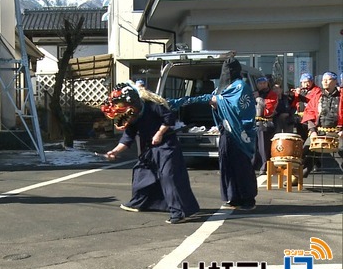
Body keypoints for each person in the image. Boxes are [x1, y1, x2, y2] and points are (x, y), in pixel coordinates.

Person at [101, 81, 200, 224]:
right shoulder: (132, 116)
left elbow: (169, 118)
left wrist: (159, 133)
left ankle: (179, 212)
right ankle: (141, 202)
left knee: (169, 176)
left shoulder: (151, 106)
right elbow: (127, 137)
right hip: (150, 147)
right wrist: (115, 151)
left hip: (167, 145)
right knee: (142, 171)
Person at [168, 58, 257, 210]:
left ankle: (248, 199)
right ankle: (233, 197)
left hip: (239, 133)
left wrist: (219, 102)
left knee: (241, 166)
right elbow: (211, 99)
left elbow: (240, 108)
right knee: (227, 165)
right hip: (225, 133)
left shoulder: (241, 86)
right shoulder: (220, 89)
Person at [301, 71, 343, 175]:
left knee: (341, 153)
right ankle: (298, 176)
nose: (324, 81)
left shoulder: (341, 96)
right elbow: (309, 112)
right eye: (323, 79)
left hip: (337, 133)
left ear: (334, 81)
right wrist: (312, 130)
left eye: (328, 79)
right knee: (306, 151)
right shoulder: (317, 96)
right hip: (318, 132)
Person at [252, 76, 278, 175]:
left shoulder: (272, 94)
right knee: (253, 146)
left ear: (267, 83)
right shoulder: (254, 93)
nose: (262, 85)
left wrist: (258, 98)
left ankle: (265, 167)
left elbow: (269, 108)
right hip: (254, 123)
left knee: (264, 147)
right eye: (260, 83)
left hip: (265, 123)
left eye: (264, 83)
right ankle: (252, 165)